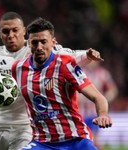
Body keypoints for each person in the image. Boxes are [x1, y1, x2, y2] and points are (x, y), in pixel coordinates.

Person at [0, 12, 103, 150]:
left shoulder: (37, 48)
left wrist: (87, 55)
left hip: (25, 127)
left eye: (15, 30)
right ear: (0, 34)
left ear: (24, 31)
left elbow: (70, 57)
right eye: (5, 31)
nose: (11, 35)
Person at [11, 17, 112, 150]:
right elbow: (7, 91)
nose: (39, 47)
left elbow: (98, 97)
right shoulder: (17, 69)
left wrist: (103, 114)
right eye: (35, 42)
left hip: (75, 140)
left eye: (43, 42)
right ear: (28, 44)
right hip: (42, 143)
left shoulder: (65, 64)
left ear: (53, 42)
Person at [77, 62, 118, 149]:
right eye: (90, 60)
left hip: (94, 113)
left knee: (93, 140)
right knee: (81, 140)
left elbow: (112, 90)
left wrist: (104, 98)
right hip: (80, 113)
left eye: (94, 60)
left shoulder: (103, 73)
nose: (92, 62)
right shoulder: (79, 72)